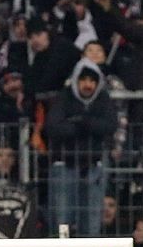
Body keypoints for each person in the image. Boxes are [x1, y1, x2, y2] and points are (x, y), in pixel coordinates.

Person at [43, 60, 118, 236]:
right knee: (62, 220)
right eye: (83, 80)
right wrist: (85, 125)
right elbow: (53, 127)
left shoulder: (103, 99)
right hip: (64, 166)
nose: (88, 85)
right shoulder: (64, 98)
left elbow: (109, 126)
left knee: (91, 221)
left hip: (93, 167)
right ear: (76, 80)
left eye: (92, 81)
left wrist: (81, 122)